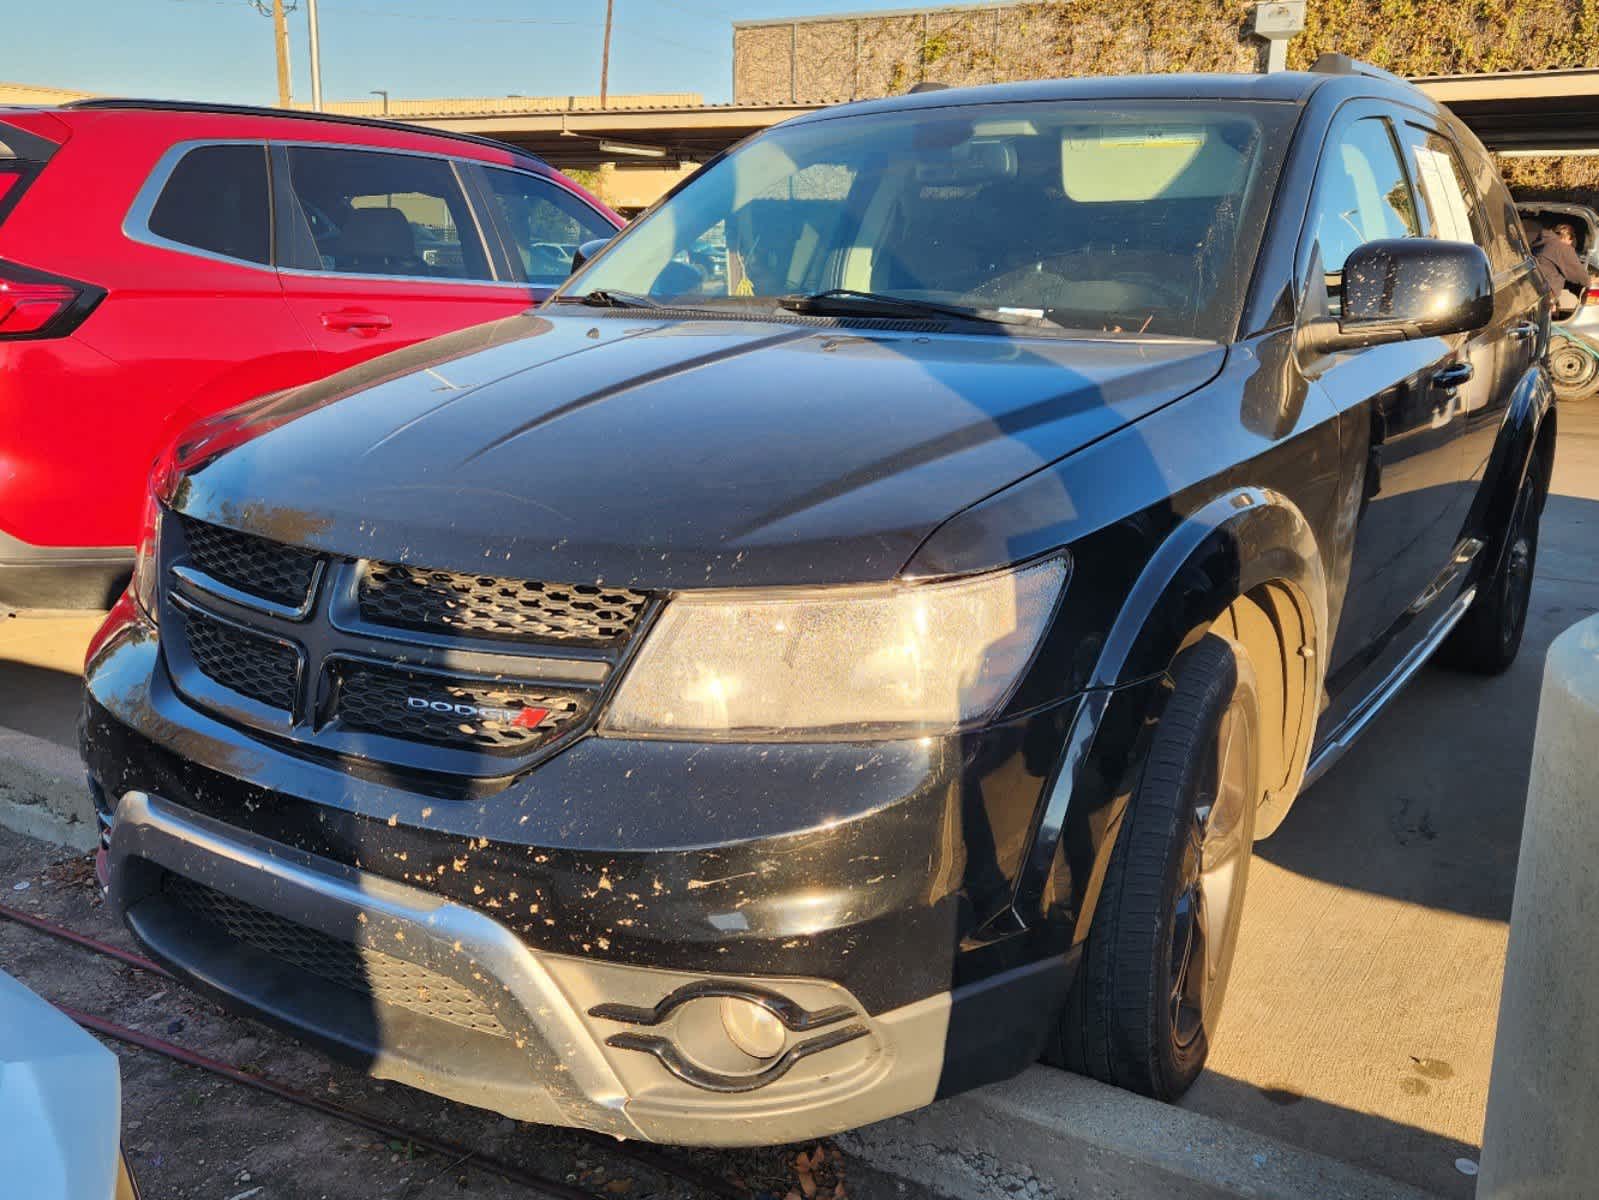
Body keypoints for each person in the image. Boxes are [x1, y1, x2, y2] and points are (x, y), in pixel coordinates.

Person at [1532, 220, 1588, 314]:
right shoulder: (1562, 248)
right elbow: (1578, 274)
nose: (1571, 244)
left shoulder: (1541, 242)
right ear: (1568, 237)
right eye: (1571, 240)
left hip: (1533, 289)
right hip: (1545, 295)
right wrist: (1589, 281)